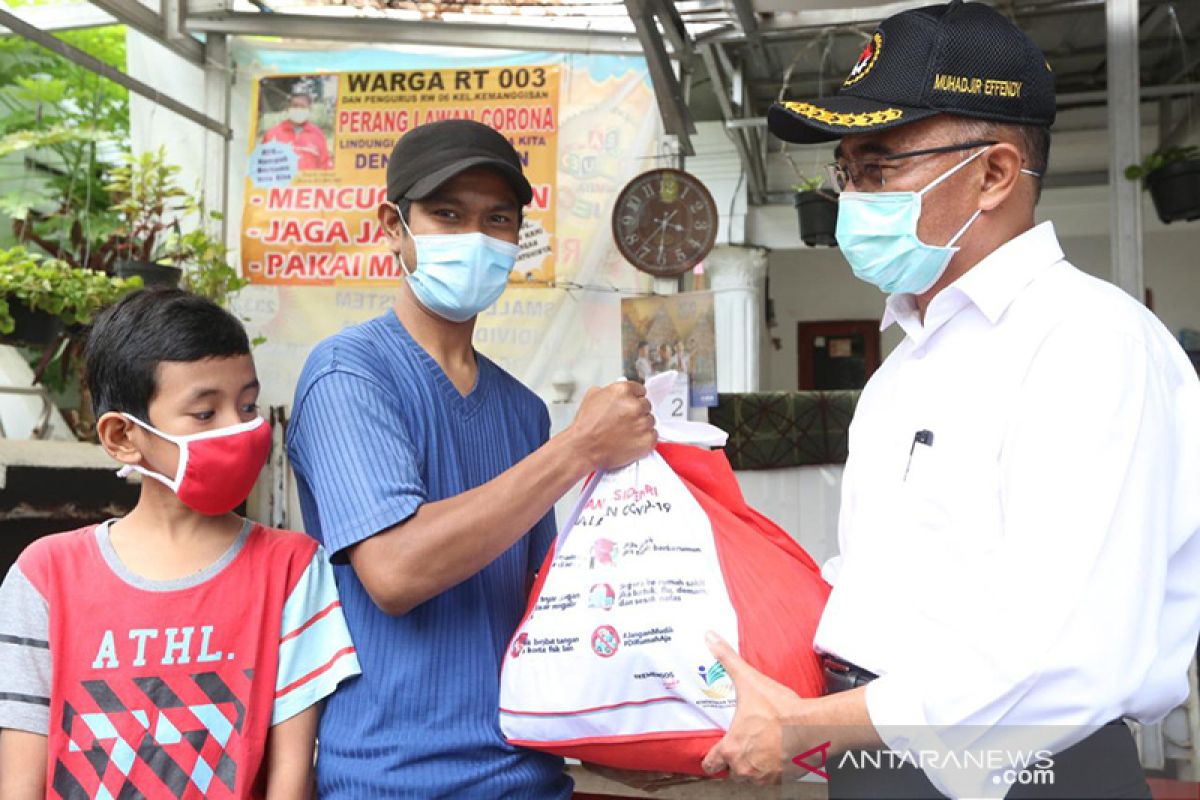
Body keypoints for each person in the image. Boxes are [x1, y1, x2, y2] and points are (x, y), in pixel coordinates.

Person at [700, 2, 1200, 798]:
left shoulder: (1090, 345)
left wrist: (800, 724)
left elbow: (1059, 657)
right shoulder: (906, 364)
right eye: (846, 172)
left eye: (880, 167)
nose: (853, 197)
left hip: (1027, 775)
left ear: (995, 173)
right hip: (878, 756)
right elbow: (882, 592)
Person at [286, 119, 656, 798]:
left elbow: (540, 608)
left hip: (529, 774)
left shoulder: (522, 411)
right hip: (392, 778)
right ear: (392, 226)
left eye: (497, 220)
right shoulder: (348, 374)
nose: (475, 238)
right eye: (447, 214)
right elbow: (396, 571)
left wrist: (638, 722)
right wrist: (576, 448)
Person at [0, 289, 360, 799]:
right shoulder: (44, 577)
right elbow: (19, 782)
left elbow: (292, 775)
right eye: (205, 413)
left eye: (248, 405)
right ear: (124, 436)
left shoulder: (294, 569)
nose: (242, 430)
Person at [262, 90, 333, 171]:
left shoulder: (318, 134)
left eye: (302, 107)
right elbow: (263, 167)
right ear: (288, 108)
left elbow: (325, 166)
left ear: (309, 109)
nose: (298, 109)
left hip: (309, 183)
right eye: (295, 106)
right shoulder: (272, 134)